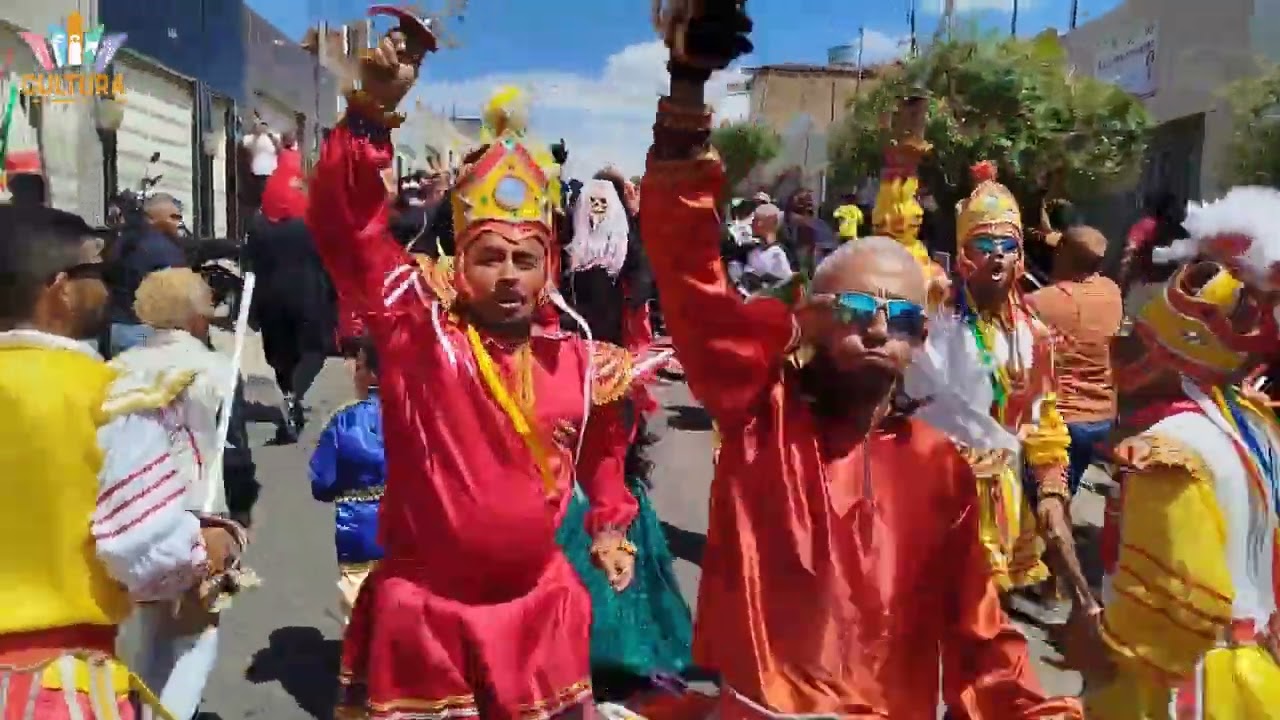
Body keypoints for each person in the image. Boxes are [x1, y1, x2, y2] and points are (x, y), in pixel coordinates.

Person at [635, 12, 1081, 715]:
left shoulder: (940, 466)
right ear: (810, 316)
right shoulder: (762, 416)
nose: (879, 326)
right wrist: (688, 88)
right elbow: (689, 267)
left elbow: (982, 642)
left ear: (921, 338)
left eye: (903, 317)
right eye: (856, 309)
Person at [305, 14, 647, 717]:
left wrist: (609, 523)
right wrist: (370, 115)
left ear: (549, 268)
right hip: (428, 619)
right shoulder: (418, 329)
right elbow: (348, 228)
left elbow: (603, 446)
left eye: (526, 259)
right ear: (458, 263)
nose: (509, 276)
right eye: (490, 256)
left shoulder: (576, 358)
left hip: (539, 611)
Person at [0, 204, 240, 717]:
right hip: (49, 686)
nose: (108, 290)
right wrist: (209, 544)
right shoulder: (107, 398)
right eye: (97, 274)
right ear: (60, 289)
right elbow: (145, 551)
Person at [1062, 185, 1280, 717]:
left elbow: (1173, 609)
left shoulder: (1171, 450)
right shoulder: (1255, 424)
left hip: (1189, 688)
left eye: (1140, 345)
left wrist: (1098, 641)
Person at [902, 162, 1090, 618]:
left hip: (1000, 504)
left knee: (983, 620)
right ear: (963, 252)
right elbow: (900, 246)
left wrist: (1050, 490)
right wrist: (900, 171)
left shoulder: (1035, 334)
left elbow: (1045, 422)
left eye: (1008, 246)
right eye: (984, 246)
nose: (998, 257)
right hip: (927, 489)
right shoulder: (934, 310)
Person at [111, 267, 253, 720]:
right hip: (199, 513)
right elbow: (235, 456)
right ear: (196, 317)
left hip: (130, 514)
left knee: (143, 628)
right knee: (196, 631)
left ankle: (141, 707)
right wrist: (241, 516)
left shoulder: (115, 370)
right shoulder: (214, 371)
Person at [1025, 221, 1123, 496]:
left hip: (1063, 421)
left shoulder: (1041, 302)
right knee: (1069, 489)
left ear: (1063, 255)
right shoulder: (1111, 291)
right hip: (1101, 417)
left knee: (1047, 499)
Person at [245, 149, 333, 441]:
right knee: (312, 352)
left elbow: (251, 266)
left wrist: (251, 310)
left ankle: (289, 402)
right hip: (309, 296)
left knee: (281, 357)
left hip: (271, 299)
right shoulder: (315, 222)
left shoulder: (258, 226)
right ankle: (294, 398)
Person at [309, 333, 386, 627]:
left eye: (359, 366)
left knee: (358, 601)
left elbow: (322, 482)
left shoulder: (345, 420)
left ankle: (361, 664)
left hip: (359, 525)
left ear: (370, 374)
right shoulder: (421, 414)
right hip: (411, 526)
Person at [107, 192, 189, 356]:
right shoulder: (163, 249)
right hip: (145, 334)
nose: (178, 223)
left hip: (114, 330)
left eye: (179, 218)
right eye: (173, 217)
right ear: (151, 218)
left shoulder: (121, 241)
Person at [740, 203, 793, 293]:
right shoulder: (752, 251)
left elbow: (787, 283)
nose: (751, 224)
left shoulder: (778, 253)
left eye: (755, 220)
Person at [241, 115, 281, 212]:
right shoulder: (249, 138)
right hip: (257, 174)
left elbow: (280, 151)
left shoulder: (274, 136)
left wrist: (271, 136)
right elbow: (247, 148)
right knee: (259, 199)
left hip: (272, 173)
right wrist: (256, 134)